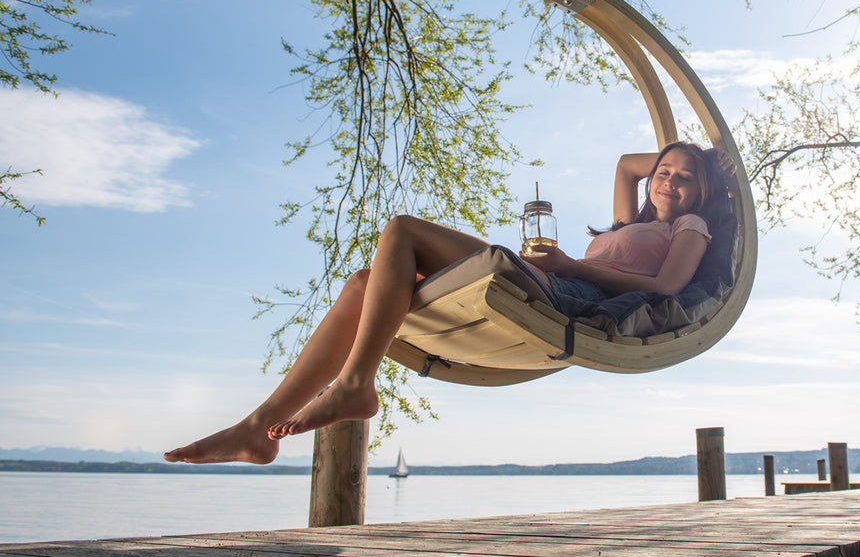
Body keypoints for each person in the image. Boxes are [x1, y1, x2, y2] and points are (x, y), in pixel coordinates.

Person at [165, 141, 731, 465]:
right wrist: (683, 154)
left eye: (684, 178)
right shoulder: (628, 221)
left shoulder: (691, 226)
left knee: (402, 230)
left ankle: (356, 384)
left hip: (569, 296)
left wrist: (713, 163)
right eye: (664, 172)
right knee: (363, 284)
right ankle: (259, 426)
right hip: (550, 279)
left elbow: (666, 290)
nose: (668, 181)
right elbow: (626, 165)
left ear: (701, 191)